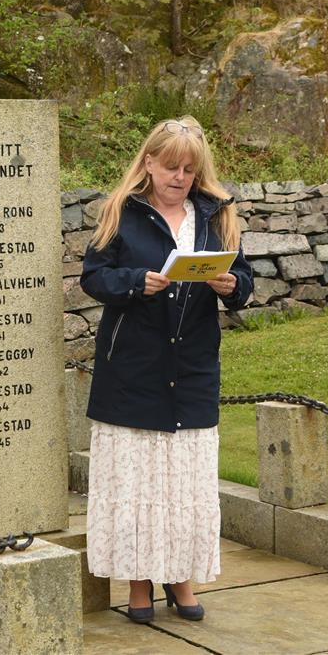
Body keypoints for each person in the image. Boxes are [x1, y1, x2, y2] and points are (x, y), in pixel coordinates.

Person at [80, 115, 253, 624]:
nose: (180, 177)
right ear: (149, 163)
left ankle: (181, 579)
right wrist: (139, 281)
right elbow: (94, 278)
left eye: (189, 169)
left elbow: (245, 279)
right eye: (171, 167)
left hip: (193, 367)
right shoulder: (121, 212)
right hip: (131, 369)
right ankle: (137, 584)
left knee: (185, 484)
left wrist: (230, 286)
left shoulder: (217, 215)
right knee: (137, 486)